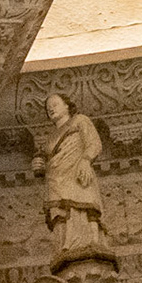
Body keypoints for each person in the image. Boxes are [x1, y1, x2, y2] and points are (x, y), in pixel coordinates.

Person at [43, 92, 107, 255]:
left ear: (67, 106)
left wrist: (86, 160)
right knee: (60, 212)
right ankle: (64, 245)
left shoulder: (80, 120)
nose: (51, 109)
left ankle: (90, 242)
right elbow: (48, 157)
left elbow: (94, 143)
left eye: (55, 104)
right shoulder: (50, 138)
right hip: (56, 178)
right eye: (48, 107)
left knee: (83, 206)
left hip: (76, 171)